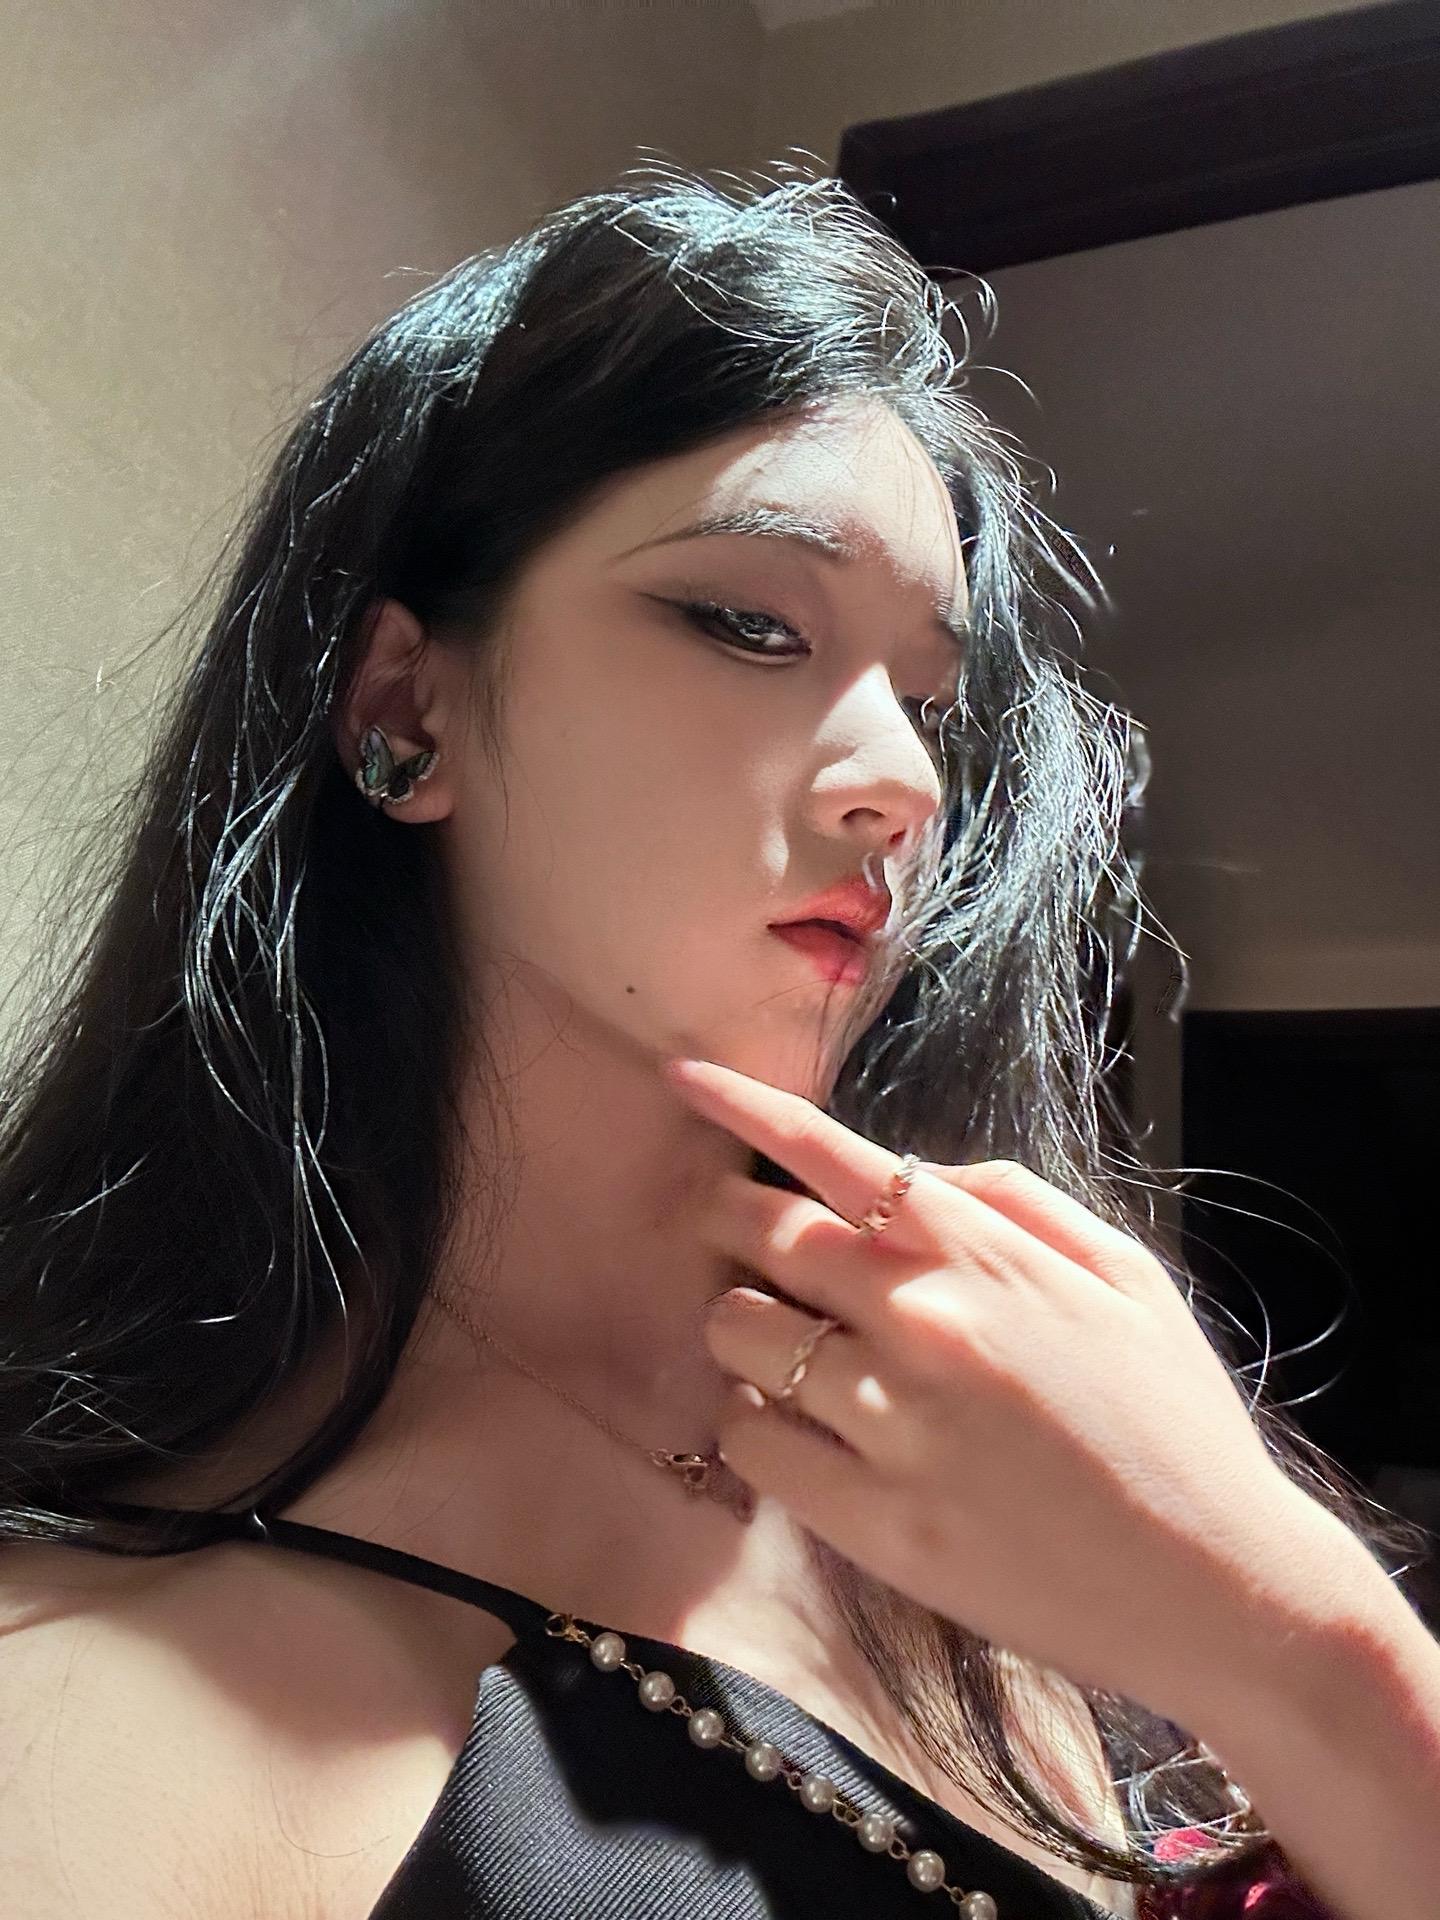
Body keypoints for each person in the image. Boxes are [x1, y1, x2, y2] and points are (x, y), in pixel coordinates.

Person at [0, 158, 1432, 1920]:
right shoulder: (85, 1681)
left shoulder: (1012, 1451)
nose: (905, 783)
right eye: (750, 624)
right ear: (403, 709)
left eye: (930, 704)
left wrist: (1302, 1639)